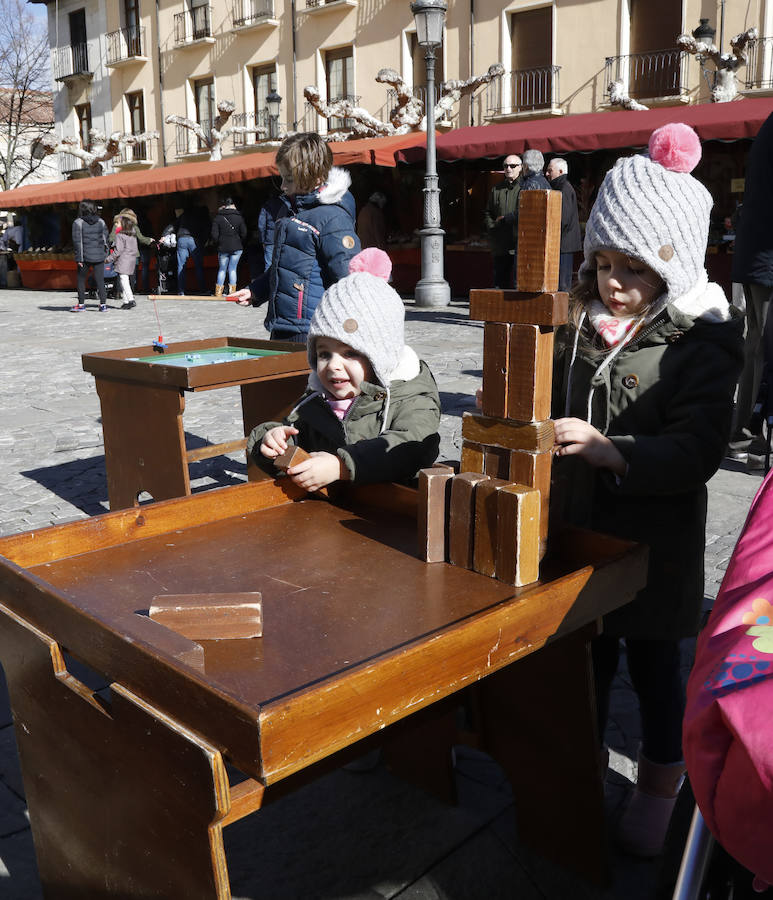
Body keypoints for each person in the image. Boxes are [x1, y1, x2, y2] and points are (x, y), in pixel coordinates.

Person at [551, 123, 743, 858]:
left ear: (669, 266)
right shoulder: (578, 330)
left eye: (630, 269)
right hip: (583, 532)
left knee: (656, 664)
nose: (611, 283)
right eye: (601, 264)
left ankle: (661, 779)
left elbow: (697, 450)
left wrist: (612, 449)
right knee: (589, 654)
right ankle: (582, 764)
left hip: (655, 544)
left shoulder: (702, 341)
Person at [247, 247, 441, 491]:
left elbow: (412, 446)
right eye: (324, 354)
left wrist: (341, 466)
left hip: (391, 517)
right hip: (329, 515)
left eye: (350, 353)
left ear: (379, 356)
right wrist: (272, 440)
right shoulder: (316, 401)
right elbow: (293, 436)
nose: (333, 365)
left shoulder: (410, 397)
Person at [233, 132, 360, 343]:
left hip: (314, 328)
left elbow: (346, 277)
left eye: (289, 179)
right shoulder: (292, 213)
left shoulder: (333, 218)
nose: (283, 185)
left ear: (315, 176)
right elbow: (283, 269)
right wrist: (255, 291)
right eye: (282, 177)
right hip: (284, 324)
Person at [729, 109, 773, 458]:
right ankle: (751, 438)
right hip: (766, 259)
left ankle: (742, 434)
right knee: (761, 352)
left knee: (755, 350)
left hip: (756, 257)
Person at [483, 154, 522, 288]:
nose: (508, 169)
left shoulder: (525, 187)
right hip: (501, 245)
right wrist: (492, 228)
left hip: (518, 243)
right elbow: (488, 212)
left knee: (519, 283)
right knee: (500, 282)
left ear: (520, 168)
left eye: (512, 166)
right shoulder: (496, 189)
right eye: (505, 166)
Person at [545, 157, 582, 292]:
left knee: (562, 285)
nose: (547, 174)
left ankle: (563, 312)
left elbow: (563, 218)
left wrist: (549, 230)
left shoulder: (564, 189)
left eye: (550, 171)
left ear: (560, 171)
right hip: (563, 243)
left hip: (563, 244)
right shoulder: (561, 187)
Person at [109, 207, 155, 301]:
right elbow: (141, 238)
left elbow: (111, 238)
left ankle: (118, 293)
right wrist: (149, 240)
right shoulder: (134, 226)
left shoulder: (117, 225)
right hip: (133, 254)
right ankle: (131, 293)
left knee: (120, 274)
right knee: (132, 275)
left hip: (121, 253)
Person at [71, 200, 109, 312]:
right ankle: (103, 305)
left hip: (85, 257)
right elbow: (105, 239)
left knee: (81, 280)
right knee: (100, 281)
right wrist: (104, 254)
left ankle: (81, 305)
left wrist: (79, 258)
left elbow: (77, 242)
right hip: (99, 256)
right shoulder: (101, 221)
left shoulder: (78, 223)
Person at [210, 197, 247, 297]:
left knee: (222, 269)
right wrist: (238, 240)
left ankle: (218, 293)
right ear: (233, 205)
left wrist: (219, 242)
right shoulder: (239, 217)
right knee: (232, 269)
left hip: (223, 248)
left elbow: (214, 235)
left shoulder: (218, 218)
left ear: (224, 205)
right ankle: (232, 292)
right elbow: (244, 233)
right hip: (237, 247)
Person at [175, 204, 208, 295]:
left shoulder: (183, 216)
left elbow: (173, 225)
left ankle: (181, 291)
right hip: (193, 239)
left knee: (181, 266)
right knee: (198, 265)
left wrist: (164, 235)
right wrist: (203, 242)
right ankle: (202, 289)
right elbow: (204, 229)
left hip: (181, 239)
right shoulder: (198, 216)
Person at [112, 215, 139, 310]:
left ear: (122, 224)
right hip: (131, 259)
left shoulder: (120, 235)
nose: (115, 225)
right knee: (124, 280)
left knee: (124, 280)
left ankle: (131, 300)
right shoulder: (132, 234)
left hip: (124, 259)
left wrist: (109, 258)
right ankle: (126, 301)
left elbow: (118, 250)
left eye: (117, 223)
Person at [257, 192, 290, 270]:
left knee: (269, 264)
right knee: (282, 264)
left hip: (270, 239)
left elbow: (261, 225)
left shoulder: (266, 206)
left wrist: (262, 240)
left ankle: (268, 282)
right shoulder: (286, 205)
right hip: (283, 237)